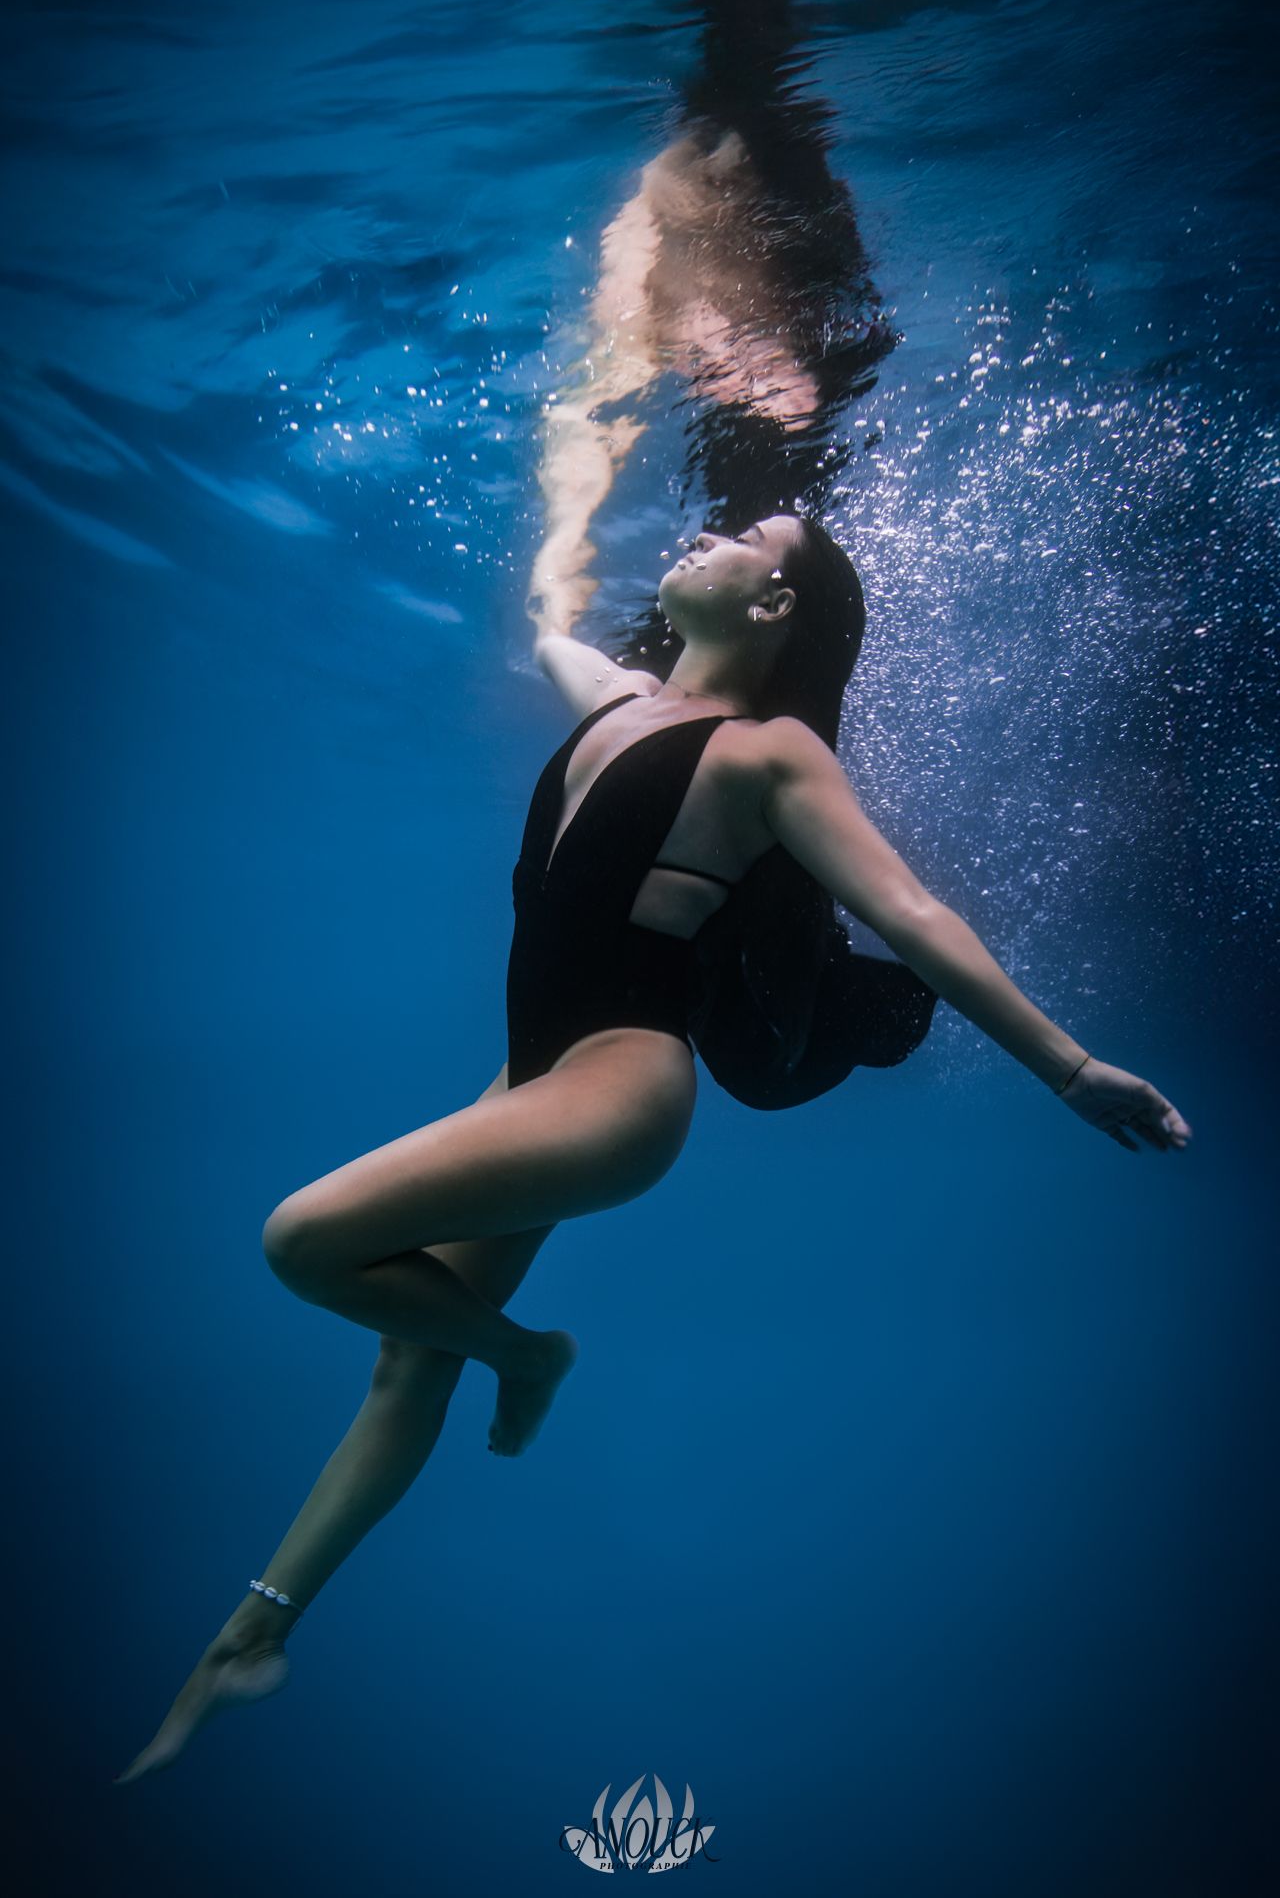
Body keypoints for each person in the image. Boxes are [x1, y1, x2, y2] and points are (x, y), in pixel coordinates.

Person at [113, 511, 1191, 1786]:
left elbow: (909, 911)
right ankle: (248, 1637)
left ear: (774, 606)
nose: (707, 530)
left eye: (745, 535)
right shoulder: (621, 702)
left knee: (303, 1239)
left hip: (614, 1092)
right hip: (534, 1079)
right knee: (408, 1360)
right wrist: (564, 514)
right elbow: (551, 639)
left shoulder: (769, 754)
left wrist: (1068, 1069)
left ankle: (529, 1355)